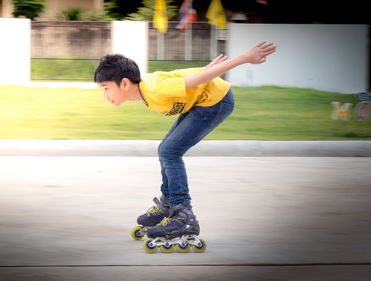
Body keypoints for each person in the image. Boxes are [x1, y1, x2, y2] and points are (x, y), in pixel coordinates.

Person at [93, 42, 277, 249]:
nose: (105, 95)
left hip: (216, 102)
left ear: (124, 83)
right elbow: (180, 75)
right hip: (201, 102)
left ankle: (183, 214)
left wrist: (245, 57)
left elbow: (193, 81)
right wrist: (207, 68)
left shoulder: (155, 90)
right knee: (166, 149)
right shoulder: (148, 87)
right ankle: (170, 203)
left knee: (169, 151)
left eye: (106, 88)